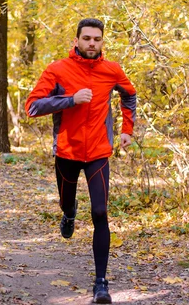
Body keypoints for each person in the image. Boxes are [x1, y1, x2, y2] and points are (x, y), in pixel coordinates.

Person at [25, 18, 136, 304]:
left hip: (98, 152)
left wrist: (127, 130)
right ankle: (69, 212)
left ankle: (101, 283)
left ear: (102, 42)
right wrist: (70, 100)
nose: (91, 44)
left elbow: (130, 95)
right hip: (66, 151)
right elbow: (33, 106)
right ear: (76, 41)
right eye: (86, 38)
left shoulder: (112, 71)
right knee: (66, 201)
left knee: (100, 213)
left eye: (96, 39)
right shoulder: (58, 70)